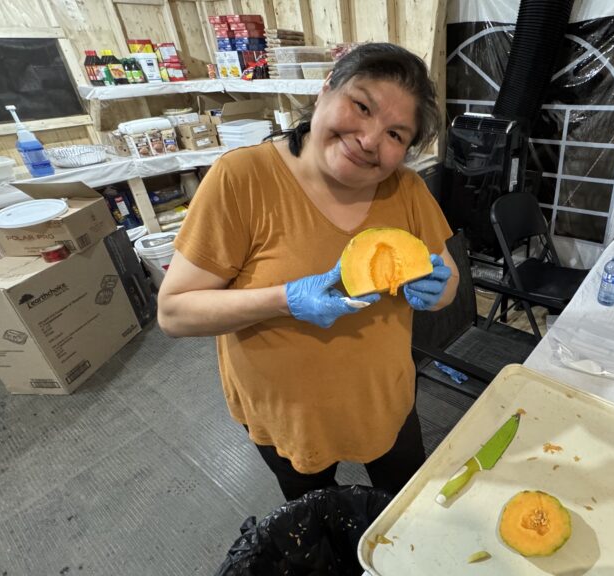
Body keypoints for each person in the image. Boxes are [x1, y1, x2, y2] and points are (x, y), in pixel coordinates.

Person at [157, 43, 458, 502]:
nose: (370, 140)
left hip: (387, 403)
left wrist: (438, 289)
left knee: (406, 509)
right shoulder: (240, 178)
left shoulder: (408, 189)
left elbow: (449, 280)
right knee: (314, 521)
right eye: (361, 106)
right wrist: (286, 299)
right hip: (290, 418)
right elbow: (174, 314)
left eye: (396, 135)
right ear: (325, 90)